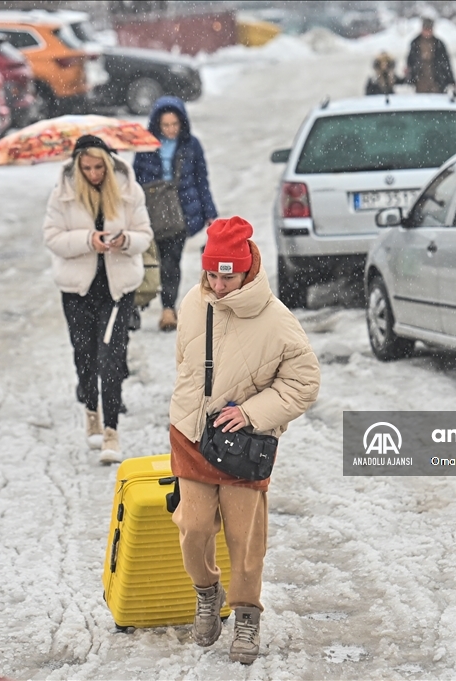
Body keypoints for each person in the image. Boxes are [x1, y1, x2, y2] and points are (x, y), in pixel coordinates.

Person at [169, 216, 320, 664]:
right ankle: (207, 591)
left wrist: (252, 413)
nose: (218, 284)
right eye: (212, 273)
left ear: (248, 268)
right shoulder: (193, 302)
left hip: (243, 444)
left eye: (227, 274)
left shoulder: (277, 319)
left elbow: (304, 382)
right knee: (192, 529)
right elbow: (185, 364)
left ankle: (247, 613)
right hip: (190, 434)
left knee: (244, 537)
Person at [42, 135, 154, 464]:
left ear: (108, 163)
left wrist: (125, 240)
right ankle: (92, 411)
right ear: (77, 166)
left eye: (98, 167)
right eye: (86, 168)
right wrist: (88, 240)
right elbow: (52, 237)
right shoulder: (62, 194)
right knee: (85, 356)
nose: (93, 174)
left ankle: (111, 432)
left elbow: (145, 234)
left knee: (111, 357)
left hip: (117, 288)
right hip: (77, 288)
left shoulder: (129, 190)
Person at [133, 96, 218, 333]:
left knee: (171, 261)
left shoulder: (192, 146)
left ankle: (168, 308)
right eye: (165, 125)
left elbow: (202, 180)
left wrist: (209, 212)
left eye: (174, 124)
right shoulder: (145, 147)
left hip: (182, 212)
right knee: (148, 261)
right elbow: (135, 181)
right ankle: (139, 304)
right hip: (151, 212)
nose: (170, 130)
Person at [406, 17, 456, 94]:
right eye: (426, 29)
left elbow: (446, 63)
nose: (427, 31)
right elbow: (410, 61)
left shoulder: (439, 44)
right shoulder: (415, 43)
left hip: (436, 79)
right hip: (420, 79)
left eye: (429, 29)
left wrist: (451, 80)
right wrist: (410, 76)